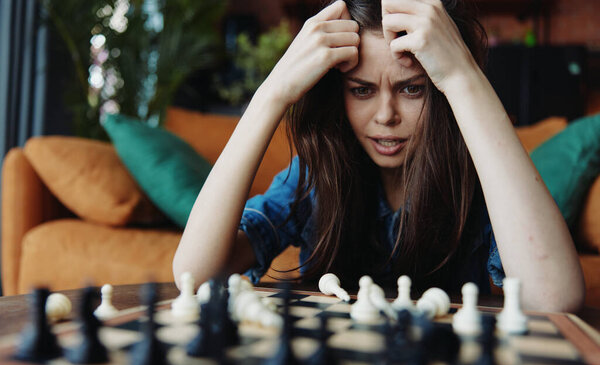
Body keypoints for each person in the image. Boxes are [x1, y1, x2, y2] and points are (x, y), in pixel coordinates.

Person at [173, 0, 584, 312]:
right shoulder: (314, 181)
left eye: (412, 89)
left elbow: (555, 298)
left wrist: (463, 74)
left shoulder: (482, 186)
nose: (386, 116)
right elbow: (193, 275)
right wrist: (272, 94)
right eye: (361, 90)